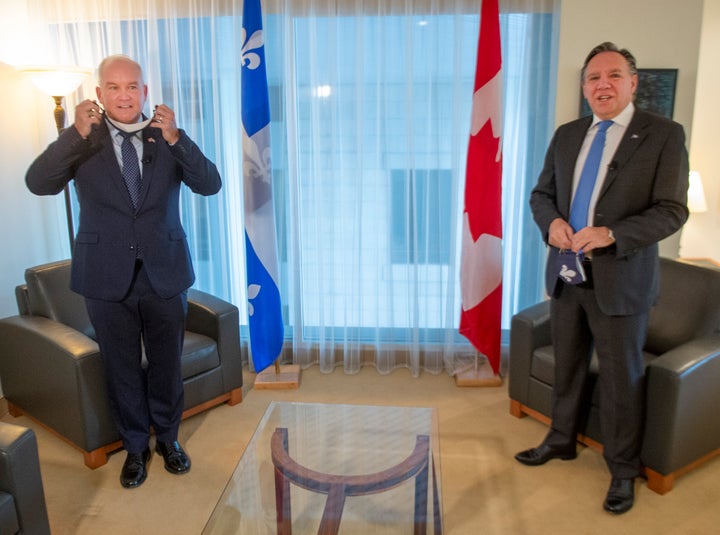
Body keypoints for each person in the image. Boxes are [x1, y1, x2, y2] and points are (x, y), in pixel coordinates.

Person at [26, 55, 222, 488]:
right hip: (104, 275)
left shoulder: (166, 137)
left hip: (164, 273)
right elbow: (39, 182)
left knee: (167, 363)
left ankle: (168, 440)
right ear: (98, 94)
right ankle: (135, 448)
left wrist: (177, 138)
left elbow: (210, 183)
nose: (124, 95)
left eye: (132, 86)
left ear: (145, 92)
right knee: (121, 367)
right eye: (113, 87)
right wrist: (73, 135)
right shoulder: (83, 139)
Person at [515, 42, 689, 514]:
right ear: (584, 86)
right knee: (567, 366)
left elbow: (672, 211)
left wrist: (612, 234)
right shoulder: (568, 134)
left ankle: (622, 471)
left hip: (622, 281)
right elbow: (540, 194)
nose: (602, 84)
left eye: (613, 75)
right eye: (593, 77)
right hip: (567, 275)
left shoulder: (663, 135)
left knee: (620, 380)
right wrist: (550, 223)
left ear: (633, 83)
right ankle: (560, 440)